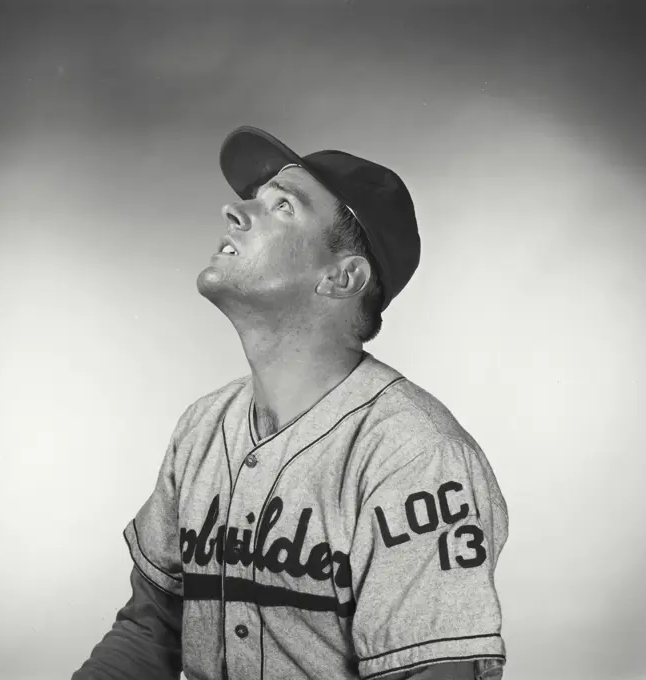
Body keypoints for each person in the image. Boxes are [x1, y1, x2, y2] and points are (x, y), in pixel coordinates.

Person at [72, 126, 509, 680]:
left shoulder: (414, 455)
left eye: (282, 206)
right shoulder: (203, 426)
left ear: (341, 276)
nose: (235, 210)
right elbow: (151, 628)